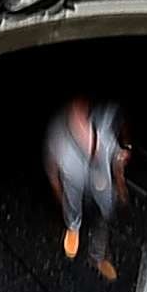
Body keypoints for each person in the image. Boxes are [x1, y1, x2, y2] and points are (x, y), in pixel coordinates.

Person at [46, 95, 127, 274]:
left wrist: (120, 182)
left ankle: (97, 256)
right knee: (73, 201)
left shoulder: (105, 132)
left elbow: (118, 155)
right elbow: (53, 173)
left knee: (106, 212)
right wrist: (61, 199)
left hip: (102, 179)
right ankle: (73, 228)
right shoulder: (58, 141)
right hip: (74, 179)